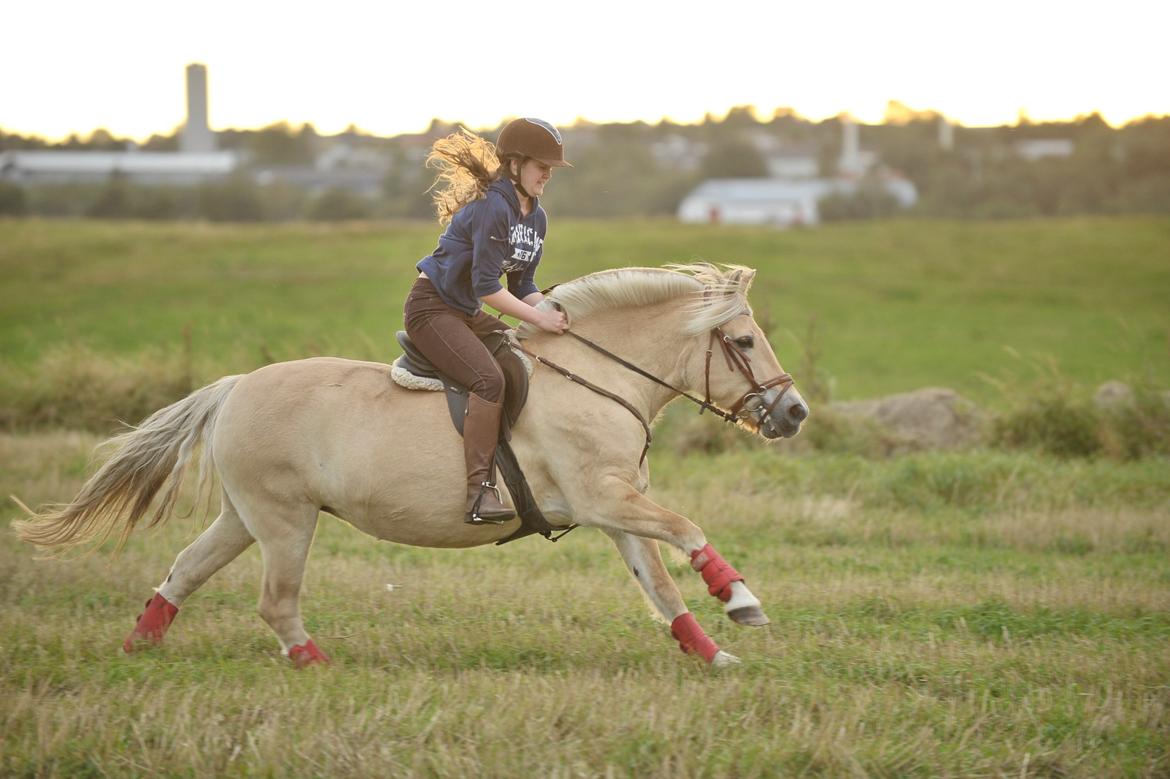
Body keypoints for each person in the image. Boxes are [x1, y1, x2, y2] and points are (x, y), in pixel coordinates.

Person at [404, 118, 570, 525]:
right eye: (540, 165)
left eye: (551, 167)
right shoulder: (493, 206)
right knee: (488, 380)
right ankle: (478, 493)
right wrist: (536, 317)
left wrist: (554, 312)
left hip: (466, 313)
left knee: (527, 361)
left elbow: (523, 282)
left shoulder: (536, 216)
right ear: (514, 165)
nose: (547, 173)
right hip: (432, 309)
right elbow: (485, 286)